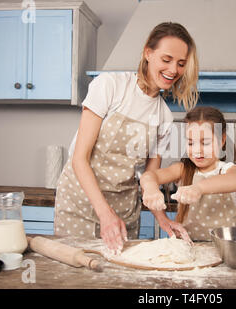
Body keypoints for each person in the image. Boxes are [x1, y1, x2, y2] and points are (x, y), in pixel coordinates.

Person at [54, 22, 199, 253]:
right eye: (167, 59)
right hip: (80, 204)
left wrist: (163, 219)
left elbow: (150, 178)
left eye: (181, 64)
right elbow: (79, 159)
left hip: (124, 210)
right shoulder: (110, 86)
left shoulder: (164, 116)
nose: (173, 70)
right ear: (148, 53)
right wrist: (105, 214)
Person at [140, 106, 236, 241]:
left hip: (222, 249)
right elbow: (149, 176)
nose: (197, 150)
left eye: (205, 143)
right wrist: (150, 188)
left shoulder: (227, 169)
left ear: (222, 140)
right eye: (190, 143)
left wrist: (198, 188)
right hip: (187, 246)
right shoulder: (182, 169)